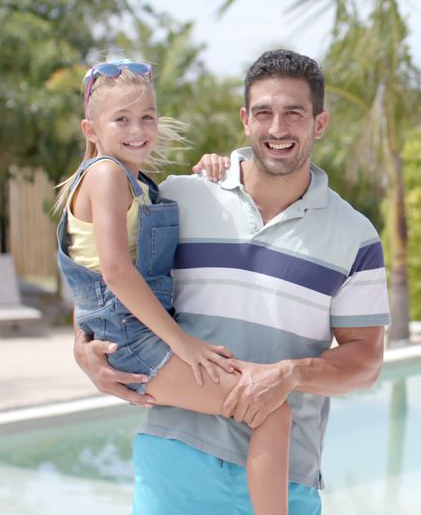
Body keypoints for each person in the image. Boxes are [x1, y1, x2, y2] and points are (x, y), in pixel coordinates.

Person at [72, 50, 390, 515]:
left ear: (319, 123)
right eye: (263, 113)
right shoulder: (180, 197)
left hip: (287, 479)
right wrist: (83, 348)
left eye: (294, 114)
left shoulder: (356, 236)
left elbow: (365, 361)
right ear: (245, 120)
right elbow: (105, 272)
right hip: (174, 466)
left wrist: (289, 375)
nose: (277, 128)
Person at [55, 58, 292, 515]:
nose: (137, 128)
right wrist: (183, 344)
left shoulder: (136, 182)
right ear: (91, 128)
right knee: (271, 408)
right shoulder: (105, 175)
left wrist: (211, 165)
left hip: (136, 332)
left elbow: (82, 277)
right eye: (120, 119)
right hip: (138, 338)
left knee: (268, 404)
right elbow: (115, 273)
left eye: (147, 117)